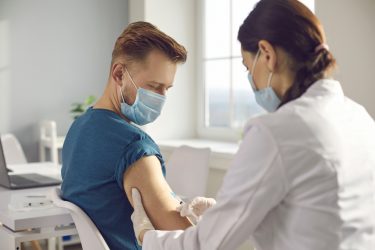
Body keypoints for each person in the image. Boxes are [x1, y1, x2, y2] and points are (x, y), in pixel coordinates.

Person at [130, 0, 375, 249]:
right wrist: (224, 213)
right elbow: (314, 211)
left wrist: (145, 235)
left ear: (266, 54)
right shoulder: (361, 118)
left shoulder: (275, 131)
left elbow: (204, 245)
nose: (252, 80)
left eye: (248, 67)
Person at [61, 21, 193, 250]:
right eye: (153, 86)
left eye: (166, 89)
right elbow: (191, 243)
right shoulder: (134, 147)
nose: (161, 98)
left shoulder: (78, 129)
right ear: (120, 73)